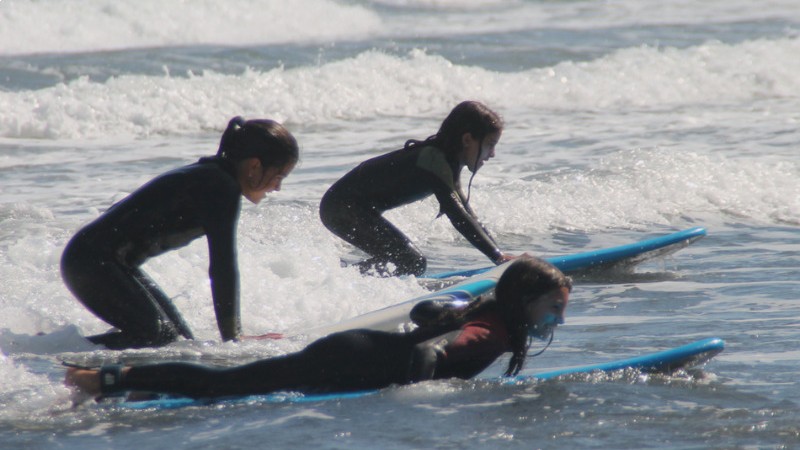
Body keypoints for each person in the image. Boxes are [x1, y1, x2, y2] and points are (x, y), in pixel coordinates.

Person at [64, 256, 571, 400]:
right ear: (525, 301)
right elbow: (445, 346)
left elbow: (424, 314)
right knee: (229, 386)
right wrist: (425, 384)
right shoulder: (492, 330)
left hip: (358, 353)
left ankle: (126, 387)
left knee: (238, 384)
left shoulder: (483, 307)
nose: (557, 321)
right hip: (355, 359)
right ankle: (109, 378)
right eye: (553, 308)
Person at [60, 117, 299, 350]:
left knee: (178, 343)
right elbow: (222, 266)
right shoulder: (220, 187)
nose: (278, 187)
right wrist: (234, 339)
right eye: (278, 177)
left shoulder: (213, 177)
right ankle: (58, 352)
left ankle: (66, 348)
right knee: (157, 338)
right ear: (254, 166)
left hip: (105, 262)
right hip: (91, 262)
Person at [319, 100, 518, 277]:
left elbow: (467, 214)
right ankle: (339, 281)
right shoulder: (433, 159)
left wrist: (499, 254)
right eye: (490, 144)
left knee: (407, 261)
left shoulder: (448, 162)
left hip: (354, 208)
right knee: (411, 261)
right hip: (340, 207)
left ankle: (344, 278)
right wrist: (497, 256)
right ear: (467, 140)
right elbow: (457, 215)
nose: (492, 154)